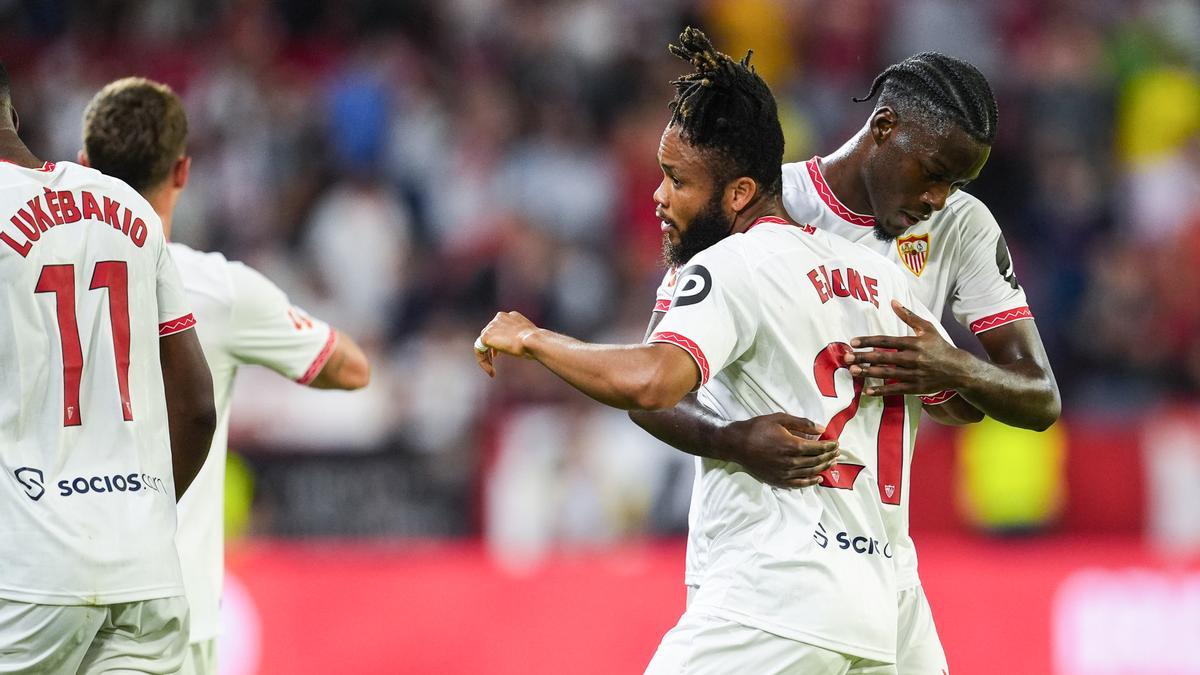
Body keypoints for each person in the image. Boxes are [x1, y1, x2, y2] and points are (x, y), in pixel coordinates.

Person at [476, 28, 976, 673]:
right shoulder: (881, 278)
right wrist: (956, 366)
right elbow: (958, 406)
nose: (658, 198)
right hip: (880, 609)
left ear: (738, 194)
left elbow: (654, 382)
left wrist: (534, 338)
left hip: (771, 596)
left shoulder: (730, 265)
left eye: (675, 180)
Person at [631, 51, 1062, 673]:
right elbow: (654, 380)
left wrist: (953, 368)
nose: (939, 198)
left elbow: (1038, 396)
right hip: (762, 561)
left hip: (883, 569)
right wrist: (732, 440)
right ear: (883, 127)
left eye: (957, 184)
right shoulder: (761, 199)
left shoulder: (964, 229)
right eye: (933, 172)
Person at [80, 77, 371, 675]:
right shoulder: (217, 290)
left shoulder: (25, 283)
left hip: (56, 602)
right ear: (182, 172)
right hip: (173, 618)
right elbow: (350, 369)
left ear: (83, 166)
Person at [0, 63, 215, 673]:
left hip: (25, 576)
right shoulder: (126, 206)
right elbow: (198, 408)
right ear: (13, 114)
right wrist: (138, 519)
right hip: (146, 571)